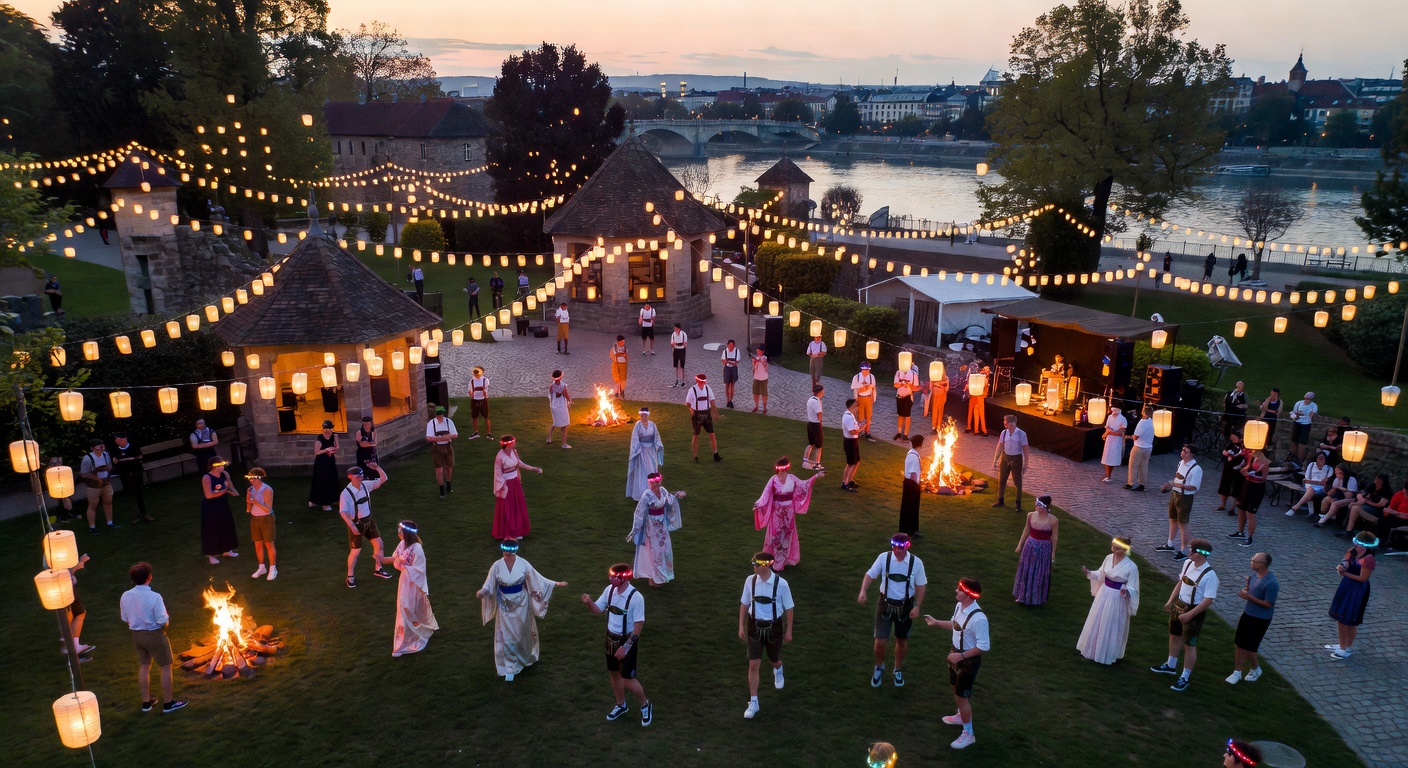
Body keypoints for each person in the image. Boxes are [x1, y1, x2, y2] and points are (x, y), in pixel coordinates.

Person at [477, 540, 566, 681]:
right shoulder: (497, 565)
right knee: (506, 636)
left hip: (521, 605)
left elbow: (537, 577)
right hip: (504, 605)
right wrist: (483, 591)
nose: (507, 554)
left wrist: (555, 583)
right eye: (505, 552)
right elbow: (489, 583)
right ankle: (510, 666)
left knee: (520, 633)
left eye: (510, 552)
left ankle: (524, 657)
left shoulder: (523, 563)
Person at [582, 563, 653, 727]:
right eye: (611, 576)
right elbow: (598, 610)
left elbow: (638, 627)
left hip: (626, 641)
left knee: (627, 679)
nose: (611, 579)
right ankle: (621, 705)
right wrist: (588, 602)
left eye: (615, 577)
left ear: (624, 578)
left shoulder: (636, 597)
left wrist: (626, 647)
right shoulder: (610, 590)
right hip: (610, 638)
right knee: (614, 674)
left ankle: (645, 704)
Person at [922, 577, 988, 750]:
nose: (956, 591)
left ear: (968, 595)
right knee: (954, 688)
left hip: (968, 661)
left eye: (959, 589)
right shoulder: (960, 606)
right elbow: (955, 625)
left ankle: (969, 733)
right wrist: (936, 623)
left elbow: (983, 646)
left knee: (961, 696)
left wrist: (961, 656)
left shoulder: (979, 619)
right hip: (956, 655)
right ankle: (961, 716)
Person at [859, 533, 928, 688]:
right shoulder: (884, 558)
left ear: (907, 547)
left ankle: (897, 668)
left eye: (900, 548)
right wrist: (863, 590)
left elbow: (921, 585)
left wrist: (917, 606)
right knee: (880, 641)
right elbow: (870, 574)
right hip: (885, 603)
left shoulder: (916, 563)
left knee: (902, 640)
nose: (897, 550)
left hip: (905, 607)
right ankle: (879, 666)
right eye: (894, 547)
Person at [1151, 539, 1218, 691]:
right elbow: (1180, 583)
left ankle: (1185, 677)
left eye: (1192, 550)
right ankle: (1170, 665)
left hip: (1195, 611)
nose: (1189, 552)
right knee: (1174, 635)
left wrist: (1190, 615)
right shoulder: (1187, 563)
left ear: (1200, 553)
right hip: (1180, 604)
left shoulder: (1210, 575)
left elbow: (1208, 600)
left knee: (1189, 644)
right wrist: (1170, 601)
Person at [119, 563, 187, 713]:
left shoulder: (125, 595)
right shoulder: (154, 597)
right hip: (154, 635)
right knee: (166, 666)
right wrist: (166, 623)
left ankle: (146, 703)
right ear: (149, 577)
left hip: (136, 636)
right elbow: (162, 619)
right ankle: (168, 704)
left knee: (144, 666)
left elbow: (124, 617)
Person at [740, 551, 795, 719]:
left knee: (773, 659)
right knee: (753, 664)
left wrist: (789, 630)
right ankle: (754, 701)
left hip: (774, 628)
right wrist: (741, 626)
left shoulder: (782, 584)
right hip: (754, 627)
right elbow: (744, 603)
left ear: (765, 565)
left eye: (756, 564)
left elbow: (789, 608)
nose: (754, 566)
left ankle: (778, 668)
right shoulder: (750, 581)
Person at [1077, 537, 1140, 664]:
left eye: (1118, 548)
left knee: (1111, 623)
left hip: (1117, 598)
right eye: (1114, 547)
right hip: (1104, 593)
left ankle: (1107, 652)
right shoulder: (1108, 558)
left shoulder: (1132, 567)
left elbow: (1133, 587)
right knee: (1098, 619)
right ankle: (1092, 649)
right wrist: (1090, 573)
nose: (1115, 550)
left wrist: (1127, 591)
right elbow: (1101, 574)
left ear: (1125, 549)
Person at [753, 457, 822, 569]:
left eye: (784, 470)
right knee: (776, 534)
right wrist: (758, 504)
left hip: (789, 513)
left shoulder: (792, 479)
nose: (782, 472)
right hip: (777, 512)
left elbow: (804, 485)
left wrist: (816, 476)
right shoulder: (773, 480)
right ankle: (774, 556)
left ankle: (782, 559)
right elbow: (765, 494)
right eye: (781, 470)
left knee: (786, 534)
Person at [388, 520, 438, 657]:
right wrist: (383, 559)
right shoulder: (402, 543)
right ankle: (404, 638)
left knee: (409, 608)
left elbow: (420, 569)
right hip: (404, 581)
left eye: (400, 530)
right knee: (404, 607)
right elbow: (396, 558)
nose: (398, 532)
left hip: (413, 584)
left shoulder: (417, 549)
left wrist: (404, 566)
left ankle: (417, 634)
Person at [1226, 552, 1278, 684]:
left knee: (1249, 647)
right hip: (1248, 614)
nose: (1252, 562)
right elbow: (1252, 593)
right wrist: (1247, 588)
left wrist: (1249, 596)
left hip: (1260, 618)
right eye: (1252, 559)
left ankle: (1251, 669)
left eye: (1255, 561)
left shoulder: (1271, 583)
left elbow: (1268, 604)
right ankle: (1240, 672)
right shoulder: (1254, 576)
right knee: (1239, 643)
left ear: (1263, 564)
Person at [339, 463, 392, 588]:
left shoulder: (365, 485)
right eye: (358, 476)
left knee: (379, 544)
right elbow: (343, 512)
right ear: (350, 477)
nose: (361, 478)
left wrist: (377, 468)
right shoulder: (345, 494)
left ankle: (378, 568)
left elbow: (383, 479)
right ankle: (350, 576)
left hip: (369, 520)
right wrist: (352, 527)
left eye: (362, 475)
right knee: (356, 551)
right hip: (356, 524)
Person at [1326, 532, 1377, 660]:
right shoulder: (1352, 551)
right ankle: (1344, 645)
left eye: (1359, 544)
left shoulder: (1369, 559)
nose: (1356, 545)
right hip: (1347, 586)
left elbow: (1363, 578)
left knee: (1347, 619)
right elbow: (1346, 561)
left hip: (1357, 590)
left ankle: (1344, 649)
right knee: (1342, 618)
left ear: (1366, 546)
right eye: (1356, 542)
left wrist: (1345, 574)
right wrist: (1342, 567)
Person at [627, 472, 685, 586]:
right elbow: (639, 513)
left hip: (662, 526)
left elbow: (669, 500)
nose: (656, 485)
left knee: (665, 549)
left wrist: (677, 495)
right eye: (653, 483)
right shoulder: (647, 495)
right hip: (651, 527)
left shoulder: (663, 491)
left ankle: (663, 574)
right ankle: (653, 579)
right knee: (654, 552)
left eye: (657, 483)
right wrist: (634, 530)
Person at [1157, 444, 1203, 561]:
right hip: (1174, 494)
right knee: (1172, 520)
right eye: (1182, 450)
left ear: (1191, 454)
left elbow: (1194, 487)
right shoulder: (1181, 463)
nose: (1182, 453)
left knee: (1183, 524)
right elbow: (1177, 479)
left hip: (1185, 498)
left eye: (1185, 451)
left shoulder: (1196, 469)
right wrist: (1170, 486)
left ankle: (1183, 551)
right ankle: (1170, 544)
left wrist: (1176, 485)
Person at [1013, 495, 1059, 605]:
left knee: (1039, 572)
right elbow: (1026, 530)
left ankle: (1036, 597)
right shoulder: (1030, 515)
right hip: (1030, 546)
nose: (1035, 506)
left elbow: (1054, 537)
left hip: (1044, 548)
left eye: (1038, 505)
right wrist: (1020, 545)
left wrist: (1053, 553)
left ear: (1044, 507)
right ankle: (1022, 595)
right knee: (1027, 570)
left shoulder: (1053, 520)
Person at [493, 435, 541, 539]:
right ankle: (508, 531)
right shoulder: (500, 457)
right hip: (506, 485)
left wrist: (533, 469)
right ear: (507, 444)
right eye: (513, 442)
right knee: (508, 508)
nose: (515, 444)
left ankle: (518, 530)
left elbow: (519, 463)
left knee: (517, 507)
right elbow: (498, 473)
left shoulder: (514, 451)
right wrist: (503, 485)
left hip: (515, 483)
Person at [200, 457, 240, 565]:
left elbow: (229, 484)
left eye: (223, 465)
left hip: (223, 503)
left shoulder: (225, 474)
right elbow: (209, 495)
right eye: (220, 465)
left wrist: (234, 492)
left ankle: (227, 550)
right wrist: (224, 490)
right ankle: (211, 554)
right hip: (211, 506)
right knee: (212, 529)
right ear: (214, 466)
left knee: (226, 525)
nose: (223, 467)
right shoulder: (207, 477)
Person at [1229, 448, 1268, 547]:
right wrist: (1243, 471)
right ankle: (1240, 532)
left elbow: (1263, 478)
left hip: (1257, 487)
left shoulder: (1264, 462)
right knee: (1241, 507)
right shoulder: (1252, 459)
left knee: (1250, 512)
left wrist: (1253, 476)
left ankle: (1250, 537)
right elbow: (1246, 468)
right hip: (1248, 485)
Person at [244, 468, 277, 581]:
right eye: (250, 477)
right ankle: (261, 567)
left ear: (260, 477)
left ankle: (273, 568)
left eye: (254, 477)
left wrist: (256, 502)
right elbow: (248, 509)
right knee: (257, 544)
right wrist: (248, 503)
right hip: (255, 519)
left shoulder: (267, 490)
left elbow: (268, 509)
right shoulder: (250, 489)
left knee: (269, 544)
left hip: (266, 519)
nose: (251, 480)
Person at [79, 438, 117, 533]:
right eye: (97, 445)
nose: (100, 447)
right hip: (93, 485)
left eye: (101, 444)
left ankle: (110, 522)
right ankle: (92, 527)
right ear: (92, 448)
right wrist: (96, 479)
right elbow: (83, 473)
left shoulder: (106, 455)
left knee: (108, 501)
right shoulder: (87, 458)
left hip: (106, 483)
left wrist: (107, 478)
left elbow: (109, 467)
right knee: (93, 505)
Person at [992, 414, 1030, 510]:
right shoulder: (1004, 433)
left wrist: (1026, 464)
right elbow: (1000, 446)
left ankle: (1018, 504)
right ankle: (1000, 500)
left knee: (1017, 482)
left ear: (1012, 423)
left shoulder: (1021, 434)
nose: (1004, 424)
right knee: (1001, 480)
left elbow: (1025, 448)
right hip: (1005, 457)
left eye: (1006, 423)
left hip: (1016, 458)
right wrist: (995, 460)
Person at [626, 407, 664, 500]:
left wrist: (658, 446)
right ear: (640, 415)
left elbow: (656, 437)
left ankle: (653, 490)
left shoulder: (652, 425)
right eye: (642, 415)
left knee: (652, 469)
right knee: (643, 470)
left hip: (651, 450)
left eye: (645, 415)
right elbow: (635, 439)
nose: (644, 417)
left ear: (648, 415)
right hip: (642, 451)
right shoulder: (638, 425)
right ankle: (642, 492)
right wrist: (637, 450)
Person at [1337, 473, 1391, 538]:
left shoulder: (1386, 491)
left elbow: (1381, 504)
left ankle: (1350, 530)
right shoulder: (1372, 486)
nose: (1377, 481)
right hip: (1366, 504)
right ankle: (1349, 529)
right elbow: (1364, 495)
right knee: (1353, 506)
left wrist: (1369, 502)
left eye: (1379, 480)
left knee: (1355, 508)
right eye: (1376, 479)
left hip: (1376, 509)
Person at [685, 373, 722, 462]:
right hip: (697, 415)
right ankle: (695, 456)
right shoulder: (692, 390)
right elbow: (688, 402)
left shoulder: (707, 388)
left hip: (707, 413)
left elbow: (712, 401)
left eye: (704, 382)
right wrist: (691, 409)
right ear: (697, 381)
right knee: (696, 434)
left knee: (712, 434)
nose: (703, 383)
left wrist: (716, 413)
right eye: (702, 382)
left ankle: (715, 454)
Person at [1286, 451, 1332, 515]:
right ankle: (1298, 508)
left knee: (1311, 491)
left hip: (1321, 487)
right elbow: (1307, 479)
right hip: (1309, 485)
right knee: (1310, 489)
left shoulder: (1329, 469)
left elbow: (1325, 482)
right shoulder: (1312, 465)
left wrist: (1312, 481)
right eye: (1319, 457)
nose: (1320, 459)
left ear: (1325, 459)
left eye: (1322, 458)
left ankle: (1295, 508)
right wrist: (1314, 482)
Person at [308, 420, 340, 511]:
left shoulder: (334, 436)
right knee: (322, 481)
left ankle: (333, 499)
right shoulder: (320, 439)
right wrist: (326, 450)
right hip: (321, 463)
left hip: (330, 461)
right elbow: (316, 452)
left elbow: (337, 446)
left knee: (332, 479)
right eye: (326, 428)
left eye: (329, 428)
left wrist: (334, 448)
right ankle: (323, 503)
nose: (328, 430)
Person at [426, 406, 458, 498]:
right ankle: (441, 489)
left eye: (441, 415)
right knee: (439, 469)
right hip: (437, 448)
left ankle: (448, 483)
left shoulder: (448, 422)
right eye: (438, 415)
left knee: (449, 466)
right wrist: (445, 437)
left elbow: (455, 435)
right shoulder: (431, 424)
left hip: (448, 447)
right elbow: (428, 438)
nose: (440, 416)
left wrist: (438, 438)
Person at [1215, 431, 1248, 513]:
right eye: (1231, 436)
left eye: (1234, 436)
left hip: (1238, 469)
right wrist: (1227, 454)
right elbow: (1225, 451)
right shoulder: (1231, 444)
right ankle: (1223, 504)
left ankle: (1232, 508)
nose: (1232, 437)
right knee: (1225, 485)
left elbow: (1244, 456)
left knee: (1236, 487)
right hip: (1228, 467)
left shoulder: (1244, 445)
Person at [1125, 405, 1155, 491]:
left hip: (1139, 446)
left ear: (1144, 412)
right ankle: (1142, 484)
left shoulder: (1142, 422)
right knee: (1144, 466)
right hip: (1148, 447)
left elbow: (1136, 437)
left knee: (1133, 465)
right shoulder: (1152, 422)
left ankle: (1131, 483)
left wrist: (1127, 437)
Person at [899, 435, 924, 536]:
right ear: (920, 444)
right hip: (912, 484)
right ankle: (911, 530)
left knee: (906, 506)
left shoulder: (910, 453)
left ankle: (905, 528)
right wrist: (917, 486)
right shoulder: (914, 457)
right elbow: (914, 474)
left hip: (907, 483)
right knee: (912, 507)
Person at [1376, 480, 1408, 551]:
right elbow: (1390, 508)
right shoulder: (1399, 495)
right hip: (1397, 516)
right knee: (1383, 520)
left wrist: (1396, 513)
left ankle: (1393, 544)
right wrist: (1388, 511)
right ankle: (1380, 543)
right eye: (1405, 490)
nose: (1405, 492)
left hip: (1405, 519)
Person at [1099, 407, 1128, 483]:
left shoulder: (1123, 419)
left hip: (1116, 441)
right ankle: (1107, 475)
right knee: (1106, 457)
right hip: (1109, 440)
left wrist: (1110, 432)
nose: (1114, 412)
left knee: (1113, 457)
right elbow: (1107, 427)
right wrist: (1108, 432)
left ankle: (1109, 475)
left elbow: (1121, 433)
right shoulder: (1109, 417)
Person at [851, 361, 878, 440]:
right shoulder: (857, 377)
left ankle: (867, 432)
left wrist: (872, 398)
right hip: (860, 398)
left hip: (868, 398)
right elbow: (855, 388)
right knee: (860, 415)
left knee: (868, 416)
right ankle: (858, 431)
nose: (864, 371)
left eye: (866, 370)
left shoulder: (871, 377)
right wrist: (864, 387)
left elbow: (873, 387)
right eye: (863, 370)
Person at [546, 370, 573, 449]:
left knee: (555, 422)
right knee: (564, 425)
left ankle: (548, 437)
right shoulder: (563, 385)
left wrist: (552, 405)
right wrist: (570, 402)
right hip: (561, 406)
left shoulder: (551, 386)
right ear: (561, 376)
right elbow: (567, 396)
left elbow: (551, 396)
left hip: (554, 406)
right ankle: (564, 444)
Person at [893, 362, 919, 441]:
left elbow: (916, 387)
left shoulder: (914, 375)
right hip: (899, 396)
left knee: (907, 416)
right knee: (900, 415)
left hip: (908, 397)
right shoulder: (898, 372)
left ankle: (906, 434)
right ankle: (899, 432)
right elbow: (895, 385)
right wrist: (901, 384)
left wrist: (909, 385)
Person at [1289, 391, 1317, 462]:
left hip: (1306, 425)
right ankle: (1292, 458)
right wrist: (1295, 416)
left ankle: (1299, 460)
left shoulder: (1313, 406)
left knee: (1302, 442)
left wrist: (1311, 415)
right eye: (1306, 398)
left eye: (1308, 399)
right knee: (1294, 440)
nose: (1306, 400)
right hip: (1297, 423)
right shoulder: (1298, 403)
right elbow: (1293, 413)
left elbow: (1313, 414)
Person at [802, 384, 826, 471]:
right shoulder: (817, 402)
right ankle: (817, 463)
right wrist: (820, 423)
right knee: (819, 445)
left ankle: (805, 460)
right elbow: (819, 414)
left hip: (810, 424)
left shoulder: (810, 400)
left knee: (811, 443)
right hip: (816, 425)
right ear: (820, 392)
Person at [841, 397, 862, 491]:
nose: (857, 407)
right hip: (850, 441)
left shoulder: (850, 415)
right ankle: (845, 482)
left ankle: (849, 480)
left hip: (852, 441)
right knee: (851, 463)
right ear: (852, 406)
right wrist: (863, 428)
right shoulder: (848, 417)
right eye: (856, 405)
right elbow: (853, 432)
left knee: (856, 461)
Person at [923, 365, 949, 435]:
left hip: (942, 395)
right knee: (934, 411)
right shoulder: (933, 377)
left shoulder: (945, 378)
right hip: (935, 395)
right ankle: (934, 427)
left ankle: (939, 426)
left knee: (940, 410)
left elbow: (946, 389)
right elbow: (931, 387)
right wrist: (936, 386)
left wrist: (940, 386)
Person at [467, 367, 491, 439]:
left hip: (483, 400)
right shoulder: (472, 380)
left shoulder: (485, 380)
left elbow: (486, 389)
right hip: (474, 400)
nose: (476, 375)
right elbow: (469, 389)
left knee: (486, 416)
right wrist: (471, 393)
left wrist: (484, 392)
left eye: (477, 373)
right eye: (475, 373)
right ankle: (476, 432)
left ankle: (489, 433)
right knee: (474, 417)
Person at [966, 365, 989, 435]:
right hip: (974, 395)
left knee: (979, 413)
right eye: (985, 370)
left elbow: (986, 389)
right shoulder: (981, 378)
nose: (986, 371)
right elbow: (968, 385)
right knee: (973, 412)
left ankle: (981, 429)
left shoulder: (984, 379)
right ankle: (973, 428)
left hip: (978, 396)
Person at [720, 339, 742, 408]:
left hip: (733, 368)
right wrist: (726, 362)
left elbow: (737, 361)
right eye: (730, 346)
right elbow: (723, 360)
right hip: (727, 368)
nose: (731, 348)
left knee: (732, 384)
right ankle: (728, 400)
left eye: (732, 346)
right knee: (727, 384)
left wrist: (732, 362)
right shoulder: (725, 351)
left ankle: (731, 400)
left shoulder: (737, 351)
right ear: (727, 345)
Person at [750, 344, 769, 413]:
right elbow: (754, 367)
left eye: (759, 350)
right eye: (757, 350)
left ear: (762, 351)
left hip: (763, 378)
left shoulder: (765, 358)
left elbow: (763, 362)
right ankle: (756, 406)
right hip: (756, 377)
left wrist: (756, 360)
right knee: (755, 392)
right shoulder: (756, 358)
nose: (757, 352)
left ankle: (764, 408)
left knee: (764, 393)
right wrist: (754, 362)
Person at [670, 323, 689, 387]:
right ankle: (677, 379)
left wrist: (678, 343)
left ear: (678, 328)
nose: (674, 329)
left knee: (682, 365)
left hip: (682, 350)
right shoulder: (673, 335)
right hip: (676, 350)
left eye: (675, 328)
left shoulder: (684, 334)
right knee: (676, 365)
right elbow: (672, 344)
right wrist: (675, 344)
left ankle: (683, 379)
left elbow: (685, 344)